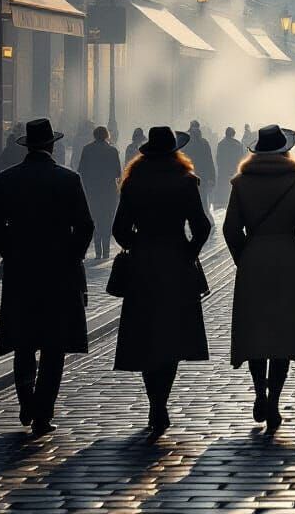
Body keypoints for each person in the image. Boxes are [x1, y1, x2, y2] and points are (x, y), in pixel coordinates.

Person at [0, 118, 94, 436]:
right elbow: (85, 225)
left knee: (24, 341)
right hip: (59, 272)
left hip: (21, 271)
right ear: (52, 146)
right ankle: (43, 413)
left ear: (27, 147)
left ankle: (25, 400)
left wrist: (10, 251)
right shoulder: (68, 179)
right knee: (53, 344)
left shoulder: (7, 179)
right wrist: (72, 256)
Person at [112, 125, 211, 439]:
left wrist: (136, 246)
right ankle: (162, 403)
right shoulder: (186, 180)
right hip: (176, 264)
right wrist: (189, 251)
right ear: (175, 151)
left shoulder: (134, 181)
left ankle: (153, 401)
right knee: (172, 334)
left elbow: (119, 229)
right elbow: (202, 226)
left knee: (145, 334)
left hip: (143, 265)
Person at [223, 124, 295, 436]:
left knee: (255, 333)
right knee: (284, 335)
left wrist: (244, 256)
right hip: (289, 263)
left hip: (253, 260)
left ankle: (258, 392)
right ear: (286, 152)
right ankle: (275, 401)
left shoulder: (241, 183)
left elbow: (230, 228)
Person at [78, 126, 122, 260]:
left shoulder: (87, 149)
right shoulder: (112, 151)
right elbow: (118, 173)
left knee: (95, 219)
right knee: (107, 220)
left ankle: (98, 251)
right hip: (109, 191)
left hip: (92, 191)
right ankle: (106, 251)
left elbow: (81, 170)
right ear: (107, 135)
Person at [184, 120, 217, 213]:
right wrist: (212, 177)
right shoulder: (204, 142)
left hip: (189, 175)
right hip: (202, 176)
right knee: (203, 202)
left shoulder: (185, 143)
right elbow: (209, 161)